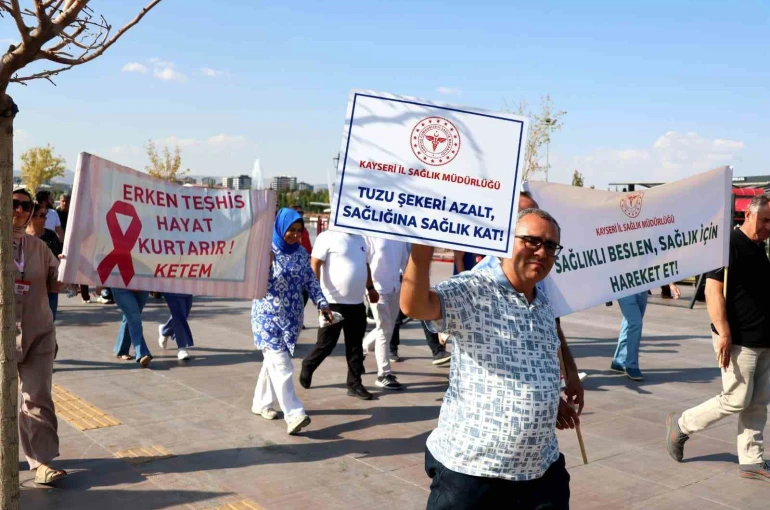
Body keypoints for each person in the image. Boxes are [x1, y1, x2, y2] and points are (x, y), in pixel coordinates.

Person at [401, 208, 577, 510]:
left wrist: (549, 401)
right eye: (532, 240)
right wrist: (422, 248)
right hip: (473, 475)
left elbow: (537, 358)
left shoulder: (543, 301)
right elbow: (415, 305)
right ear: (506, 242)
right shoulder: (473, 288)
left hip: (540, 473)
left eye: (550, 246)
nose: (541, 251)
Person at [667, 195, 770, 480]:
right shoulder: (726, 246)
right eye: (765, 220)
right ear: (748, 214)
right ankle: (682, 424)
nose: (768, 227)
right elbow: (713, 292)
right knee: (736, 399)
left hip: (763, 339)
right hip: (738, 339)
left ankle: (751, 459)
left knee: (758, 403)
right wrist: (723, 332)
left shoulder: (759, 249)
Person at [473, 190, 585, 410]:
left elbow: (551, 328)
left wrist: (567, 376)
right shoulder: (477, 280)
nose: (541, 250)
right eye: (526, 214)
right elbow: (418, 307)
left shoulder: (539, 275)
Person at [252, 208, 332, 434]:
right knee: (282, 365)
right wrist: (264, 265)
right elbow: (255, 283)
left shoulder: (300, 253)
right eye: (291, 230)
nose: (295, 235)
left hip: (292, 319)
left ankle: (261, 403)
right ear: (280, 227)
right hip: (266, 318)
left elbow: (311, 282)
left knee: (273, 363)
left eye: (299, 231)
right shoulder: (266, 250)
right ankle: (294, 413)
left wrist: (322, 304)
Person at [12, 188, 67, 485]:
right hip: (4, 335)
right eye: (12, 204)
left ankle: (42, 463)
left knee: (37, 397)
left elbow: (54, 283)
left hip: (39, 332)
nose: (19, 210)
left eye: (26, 205)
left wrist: (70, 268)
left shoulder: (37, 247)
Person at [300, 230, 379, 400]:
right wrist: (317, 295)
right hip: (332, 303)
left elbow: (365, 265)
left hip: (357, 303)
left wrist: (370, 288)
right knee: (326, 344)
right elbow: (315, 264)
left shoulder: (361, 238)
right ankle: (308, 364)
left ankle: (355, 384)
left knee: (355, 346)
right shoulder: (327, 237)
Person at [362, 237, 409, 390]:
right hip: (377, 288)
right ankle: (384, 373)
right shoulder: (370, 234)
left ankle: (363, 346)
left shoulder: (401, 236)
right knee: (384, 329)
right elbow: (364, 262)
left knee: (387, 327)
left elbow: (405, 263)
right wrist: (369, 288)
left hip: (395, 287)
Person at [612, 283, 680, 381]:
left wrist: (671, 284)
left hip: (641, 288)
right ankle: (632, 365)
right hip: (624, 287)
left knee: (630, 322)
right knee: (636, 323)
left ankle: (619, 360)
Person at [27, 202, 63, 321]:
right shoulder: (21, 236)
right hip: (27, 289)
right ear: (32, 216)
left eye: (45, 215)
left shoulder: (51, 235)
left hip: (49, 287)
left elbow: (57, 258)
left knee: (49, 322)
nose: (45, 218)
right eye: (42, 215)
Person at [112, 288, 153, 367]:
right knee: (134, 317)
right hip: (121, 286)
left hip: (143, 285)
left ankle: (121, 350)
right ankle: (142, 353)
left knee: (131, 316)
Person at [158, 293, 195, 361]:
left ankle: (165, 330)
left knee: (184, 313)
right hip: (172, 287)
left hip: (187, 287)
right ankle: (182, 348)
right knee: (179, 315)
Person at [291, 204, 313, 312]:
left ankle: (297, 313)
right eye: (298, 212)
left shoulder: (304, 231)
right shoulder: (284, 230)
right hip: (290, 265)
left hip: (303, 264)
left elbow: (308, 247)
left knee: (305, 293)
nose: (300, 215)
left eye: (301, 213)